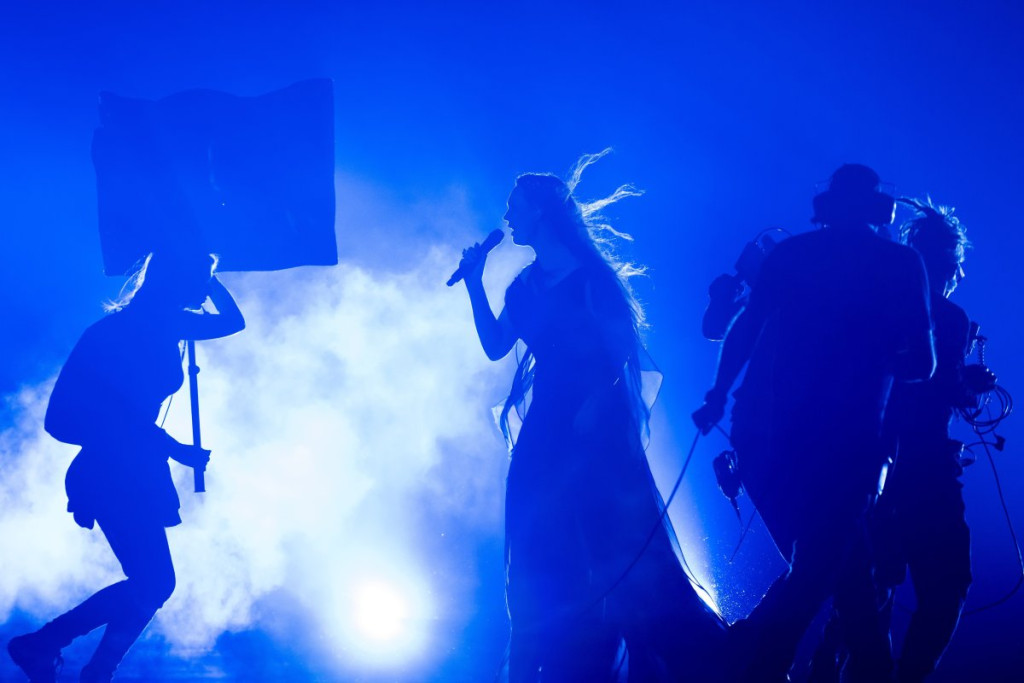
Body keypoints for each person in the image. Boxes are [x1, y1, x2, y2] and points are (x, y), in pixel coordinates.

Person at [458, 151, 726, 682]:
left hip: (594, 432)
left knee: (606, 545)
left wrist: (595, 405)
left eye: (515, 205)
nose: (507, 216)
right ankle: (543, 656)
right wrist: (473, 282)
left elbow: (622, 350)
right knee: (534, 544)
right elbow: (495, 345)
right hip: (545, 430)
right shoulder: (524, 286)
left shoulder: (591, 281)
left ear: (541, 211)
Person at [692, 164, 936, 682]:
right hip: (855, 442)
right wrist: (877, 352)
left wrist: (717, 396)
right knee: (834, 567)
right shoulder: (900, 264)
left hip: (783, 439)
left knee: (840, 571)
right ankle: (760, 662)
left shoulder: (792, 255)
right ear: (880, 209)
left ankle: (760, 661)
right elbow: (924, 362)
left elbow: (742, 329)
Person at [7, 251, 244, 683]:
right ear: (176, 280)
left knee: (152, 582)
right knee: (154, 582)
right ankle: (57, 650)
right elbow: (106, 414)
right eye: (199, 279)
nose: (203, 289)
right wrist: (172, 446)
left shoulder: (168, 324)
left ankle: (79, 661)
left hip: (135, 468)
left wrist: (206, 274)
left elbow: (233, 322)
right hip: (112, 471)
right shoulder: (118, 333)